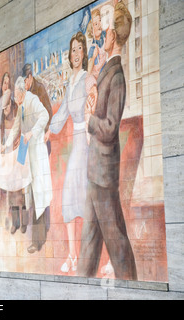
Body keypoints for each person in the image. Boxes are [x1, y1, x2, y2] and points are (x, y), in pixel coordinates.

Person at [78, 2, 137, 280]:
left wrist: (90, 119)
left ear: (113, 34)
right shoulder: (106, 69)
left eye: (105, 25)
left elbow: (110, 128)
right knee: (89, 244)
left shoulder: (117, 77)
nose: (101, 30)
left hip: (103, 174)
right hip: (95, 172)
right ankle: (80, 286)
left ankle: (132, 286)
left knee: (117, 242)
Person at [48, 31, 90, 273]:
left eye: (79, 49)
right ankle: (74, 256)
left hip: (85, 140)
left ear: (84, 53)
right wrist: (47, 131)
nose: (76, 54)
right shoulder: (70, 82)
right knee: (72, 199)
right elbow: (62, 113)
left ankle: (78, 256)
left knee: (76, 198)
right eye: (73, 50)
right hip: (77, 140)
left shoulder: (86, 79)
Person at [3, 76, 53, 254]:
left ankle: (37, 241)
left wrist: (33, 132)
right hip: (27, 155)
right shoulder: (22, 106)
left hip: (36, 155)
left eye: (17, 95)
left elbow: (45, 115)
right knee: (30, 196)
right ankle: (35, 233)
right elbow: (16, 126)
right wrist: (6, 144)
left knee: (38, 196)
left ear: (22, 92)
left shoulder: (32, 100)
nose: (15, 99)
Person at [0, 72, 19, 234]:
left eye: (8, 83)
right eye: (4, 83)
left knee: (7, 186)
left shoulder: (12, 105)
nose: (6, 85)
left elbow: (14, 126)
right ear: (1, 86)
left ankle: (7, 219)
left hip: (8, 150)